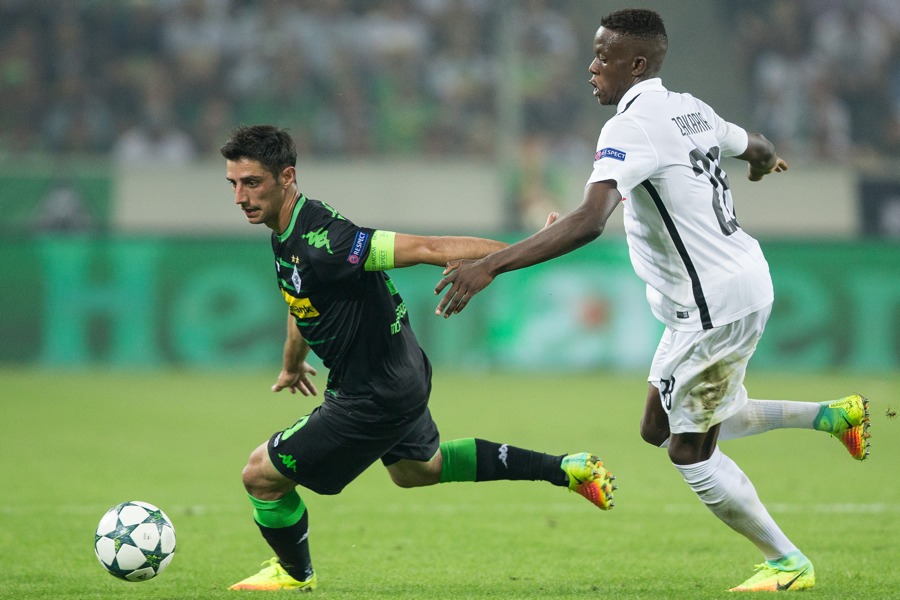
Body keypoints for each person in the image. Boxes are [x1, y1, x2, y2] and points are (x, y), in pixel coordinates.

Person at [434, 8, 870, 593]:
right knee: (656, 425)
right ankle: (833, 416)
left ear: (635, 63)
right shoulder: (690, 108)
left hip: (714, 304)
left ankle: (788, 563)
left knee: (689, 450)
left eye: (601, 57)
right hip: (723, 291)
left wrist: (490, 264)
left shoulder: (628, 126)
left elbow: (590, 221)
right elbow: (755, 145)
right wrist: (765, 163)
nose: (590, 68)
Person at [219, 124, 616, 592]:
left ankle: (293, 573)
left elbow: (431, 248)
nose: (240, 196)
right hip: (402, 373)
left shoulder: (329, 239)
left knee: (260, 477)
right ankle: (566, 468)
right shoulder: (289, 231)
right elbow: (300, 300)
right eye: (234, 185)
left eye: (252, 183)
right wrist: (291, 364)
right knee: (416, 471)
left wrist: (529, 251)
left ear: (286, 176)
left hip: (371, 395)